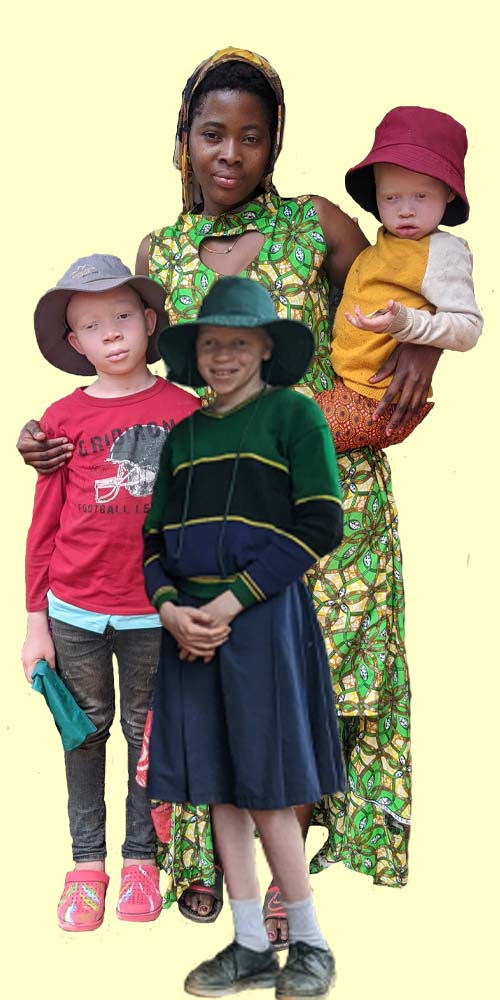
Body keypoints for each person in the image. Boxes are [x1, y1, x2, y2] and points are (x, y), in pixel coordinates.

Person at [16, 48, 446, 945]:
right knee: (226, 680)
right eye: (213, 133)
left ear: (274, 144)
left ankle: (297, 879)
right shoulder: (158, 252)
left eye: (253, 136)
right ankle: (207, 862)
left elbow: (398, 287)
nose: (231, 153)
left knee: (319, 681)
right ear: (183, 140)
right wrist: (48, 439)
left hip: (326, 486)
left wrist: (423, 347)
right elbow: (129, 386)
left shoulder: (316, 221)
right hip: (212, 499)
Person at [144, 275, 344, 999]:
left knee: (267, 785)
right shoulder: (185, 435)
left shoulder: (294, 415)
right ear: (194, 356)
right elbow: (153, 539)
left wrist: (228, 604)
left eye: (237, 342)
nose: (222, 356)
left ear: (265, 348)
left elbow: (320, 522)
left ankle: (312, 945)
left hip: (258, 622)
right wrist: (171, 610)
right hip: (188, 631)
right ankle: (251, 944)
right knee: (222, 790)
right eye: (209, 344)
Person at [22, 254, 202, 931]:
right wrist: (35, 619)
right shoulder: (60, 420)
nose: (113, 334)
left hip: (155, 612)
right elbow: (44, 526)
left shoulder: (185, 412)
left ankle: (140, 863)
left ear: (149, 322)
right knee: (83, 733)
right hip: (73, 611)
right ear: (76, 344)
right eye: (93, 325)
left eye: (123, 316)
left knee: (146, 734)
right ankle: (86, 866)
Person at [317, 106, 483, 449]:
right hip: (348, 385)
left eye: (421, 196)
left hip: (379, 400)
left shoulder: (441, 252)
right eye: (391, 198)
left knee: (281, 432)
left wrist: (410, 326)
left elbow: (468, 327)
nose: (405, 209)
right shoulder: (383, 244)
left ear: (448, 192)